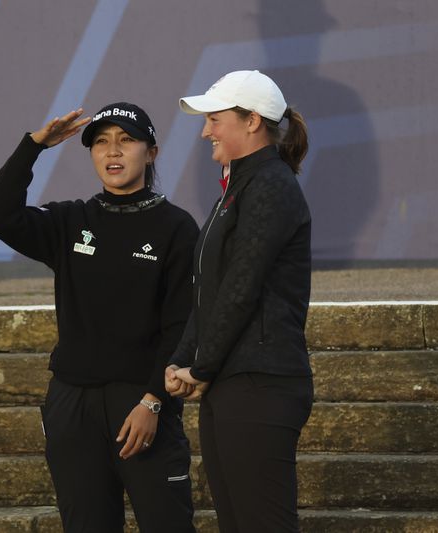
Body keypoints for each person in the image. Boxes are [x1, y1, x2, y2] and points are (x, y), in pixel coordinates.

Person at [0, 102, 198, 533]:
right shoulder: (70, 220)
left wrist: (154, 399)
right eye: (101, 142)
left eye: (126, 140)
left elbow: (181, 326)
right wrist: (34, 146)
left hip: (140, 404)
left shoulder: (177, 227)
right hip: (72, 405)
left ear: (151, 152)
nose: (112, 152)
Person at [165, 70, 313, 533]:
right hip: (233, 382)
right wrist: (181, 359)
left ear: (252, 121)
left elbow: (241, 285)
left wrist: (202, 367)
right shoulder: (236, 188)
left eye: (215, 119)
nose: (206, 130)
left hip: (262, 382)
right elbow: (209, 290)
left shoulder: (271, 183)